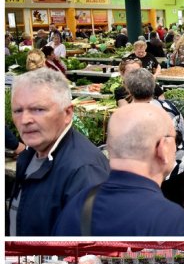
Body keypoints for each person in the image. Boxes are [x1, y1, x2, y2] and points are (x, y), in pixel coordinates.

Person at [52, 103, 184, 236]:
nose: (176, 147)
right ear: (162, 148)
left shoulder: (76, 206)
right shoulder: (172, 221)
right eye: (174, 140)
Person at [8, 68, 109, 236]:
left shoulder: (84, 170)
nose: (25, 120)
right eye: (18, 110)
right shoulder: (30, 154)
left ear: (67, 113)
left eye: (38, 109)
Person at [122, 68, 184, 207]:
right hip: (176, 169)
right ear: (153, 87)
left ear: (128, 90)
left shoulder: (127, 116)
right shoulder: (169, 107)